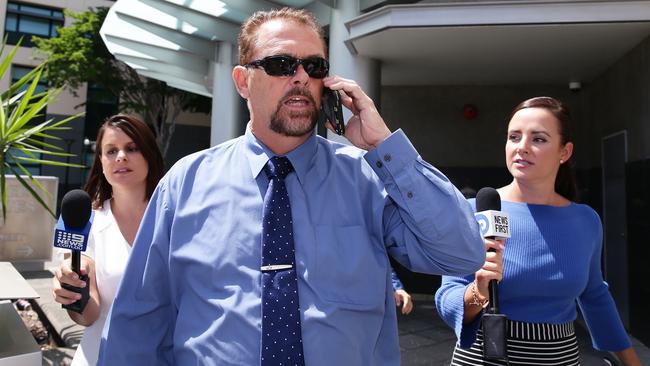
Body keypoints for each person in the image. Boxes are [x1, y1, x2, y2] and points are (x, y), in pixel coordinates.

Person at [97, 8, 485, 365]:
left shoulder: (367, 178)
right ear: (242, 81)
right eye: (281, 64)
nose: (301, 77)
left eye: (314, 66)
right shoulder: (185, 183)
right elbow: (138, 320)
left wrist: (385, 146)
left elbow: (461, 254)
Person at [435, 97, 642, 366]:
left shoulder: (585, 220)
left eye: (539, 139)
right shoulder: (472, 211)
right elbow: (446, 297)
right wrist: (478, 290)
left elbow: (594, 295)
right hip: (483, 358)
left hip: (560, 359)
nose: (522, 147)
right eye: (514, 137)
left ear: (564, 152)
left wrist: (630, 360)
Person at [51, 115, 164, 366]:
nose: (121, 156)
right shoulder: (87, 222)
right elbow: (88, 315)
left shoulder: (177, 217)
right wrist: (73, 293)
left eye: (132, 148)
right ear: (100, 161)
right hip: (102, 356)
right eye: (111, 151)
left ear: (149, 154)